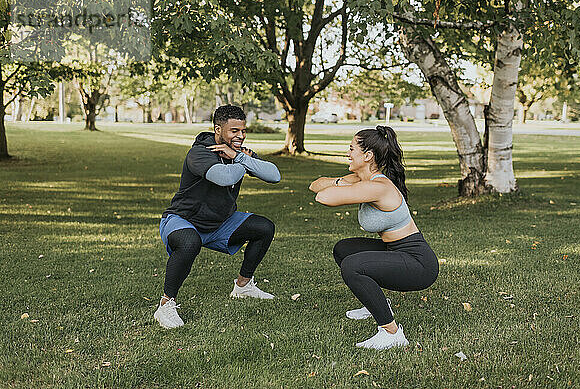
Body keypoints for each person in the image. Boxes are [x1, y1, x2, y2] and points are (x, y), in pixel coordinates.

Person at [309, 125, 438, 350]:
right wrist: (348, 181)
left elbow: (324, 196)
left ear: (367, 156)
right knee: (344, 249)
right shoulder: (366, 182)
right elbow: (315, 184)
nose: (347, 153)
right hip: (395, 251)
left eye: (351, 149)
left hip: (419, 263)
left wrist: (347, 183)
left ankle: (391, 333)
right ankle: (376, 304)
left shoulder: (378, 187)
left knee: (352, 266)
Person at [154, 105, 281, 329]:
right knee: (189, 242)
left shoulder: (237, 152)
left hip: (219, 223)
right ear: (218, 129)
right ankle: (166, 305)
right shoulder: (199, 153)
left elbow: (274, 175)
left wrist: (239, 157)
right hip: (182, 219)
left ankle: (243, 286)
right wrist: (243, 160)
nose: (240, 136)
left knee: (264, 227)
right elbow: (223, 177)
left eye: (243, 131)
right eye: (234, 131)